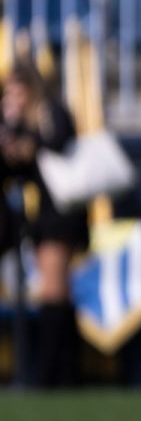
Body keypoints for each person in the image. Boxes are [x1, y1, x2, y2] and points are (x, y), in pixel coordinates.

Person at [0, 60, 88, 386]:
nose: (11, 98)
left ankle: (53, 374)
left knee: (54, 291)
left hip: (60, 214)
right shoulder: (19, 123)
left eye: (16, 91)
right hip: (43, 217)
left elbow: (60, 141)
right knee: (56, 292)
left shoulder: (50, 112)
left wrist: (30, 142)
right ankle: (63, 372)